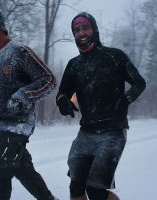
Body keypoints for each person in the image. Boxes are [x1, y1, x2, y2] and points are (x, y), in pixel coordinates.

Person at [0, 6, 58, 200]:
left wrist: (22, 96)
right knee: (22, 168)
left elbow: (48, 79)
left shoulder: (19, 52)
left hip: (19, 124)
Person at [56, 12, 146, 200]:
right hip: (86, 133)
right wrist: (63, 101)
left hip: (113, 132)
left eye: (85, 27)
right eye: (76, 30)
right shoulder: (74, 65)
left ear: (94, 30)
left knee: (96, 190)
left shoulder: (115, 57)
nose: (80, 32)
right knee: (76, 187)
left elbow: (139, 83)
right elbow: (62, 92)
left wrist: (126, 99)